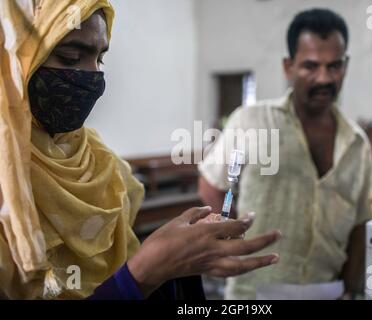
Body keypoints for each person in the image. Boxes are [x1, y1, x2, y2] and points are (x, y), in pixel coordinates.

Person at [0, 0, 280, 300]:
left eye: (101, 59)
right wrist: (145, 271)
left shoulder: (103, 165)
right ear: (15, 60)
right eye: (70, 58)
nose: (93, 77)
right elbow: (134, 275)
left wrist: (175, 258)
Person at [198, 8, 372, 299]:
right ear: (288, 66)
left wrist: (350, 289)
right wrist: (232, 243)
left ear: (345, 66)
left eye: (334, 66)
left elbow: (362, 222)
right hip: (254, 290)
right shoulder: (250, 121)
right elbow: (212, 185)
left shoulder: (357, 143)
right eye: (311, 66)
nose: (324, 78)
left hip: (328, 289)